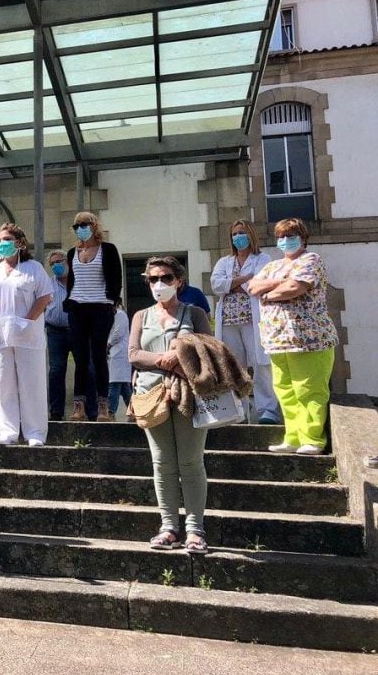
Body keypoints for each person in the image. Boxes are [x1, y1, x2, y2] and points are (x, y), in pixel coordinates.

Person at [128, 256, 213, 554]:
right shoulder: (141, 316)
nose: (159, 283)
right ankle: (168, 527)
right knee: (162, 462)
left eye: (165, 277)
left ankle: (195, 530)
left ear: (178, 281)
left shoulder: (195, 313)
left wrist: (180, 357)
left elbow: (209, 348)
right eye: (153, 279)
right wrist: (163, 359)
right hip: (152, 395)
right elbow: (134, 354)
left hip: (189, 393)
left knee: (190, 461)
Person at [248, 218, 339, 455]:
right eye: (281, 237)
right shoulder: (273, 266)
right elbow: (253, 287)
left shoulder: (311, 259)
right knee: (285, 390)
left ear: (303, 238)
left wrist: (269, 294)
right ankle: (293, 437)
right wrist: (282, 281)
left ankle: (313, 439)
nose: (285, 240)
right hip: (277, 340)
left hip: (309, 339)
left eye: (290, 236)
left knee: (309, 389)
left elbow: (295, 288)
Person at [0, 224, 54, 447]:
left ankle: (35, 433)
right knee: (2, 384)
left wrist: (28, 321)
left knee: (32, 384)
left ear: (20, 242)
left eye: (7, 239)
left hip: (27, 335)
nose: (2, 243)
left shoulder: (34, 268)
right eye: (0, 240)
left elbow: (45, 296)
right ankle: (7, 432)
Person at [210, 219, 279, 425]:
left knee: (260, 363)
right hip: (229, 321)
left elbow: (260, 284)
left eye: (242, 232)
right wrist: (244, 279)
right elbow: (216, 285)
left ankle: (267, 410)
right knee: (234, 366)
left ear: (251, 234)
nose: (238, 237)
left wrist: (232, 284)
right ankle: (239, 410)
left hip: (253, 320)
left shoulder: (263, 259)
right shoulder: (224, 262)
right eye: (234, 234)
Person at [65, 212, 123, 422]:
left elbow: (116, 277)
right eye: (77, 225)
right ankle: (79, 406)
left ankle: (103, 406)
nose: (80, 228)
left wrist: (112, 300)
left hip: (100, 306)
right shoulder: (72, 252)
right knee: (80, 358)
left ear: (94, 225)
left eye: (84, 224)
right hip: (77, 307)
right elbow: (71, 280)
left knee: (99, 356)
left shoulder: (108, 249)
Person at [44, 250, 95, 421]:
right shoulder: (47, 284)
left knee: (87, 369)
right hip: (55, 332)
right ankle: (56, 412)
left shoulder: (80, 282)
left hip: (79, 331)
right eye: (52, 264)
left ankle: (92, 411)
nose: (56, 266)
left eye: (59, 261)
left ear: (68, 262)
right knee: (56, 371)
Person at [106, 300, 132, 419]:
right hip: (116, 355)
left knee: (114, 384)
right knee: (124, 387)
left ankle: (111, 411)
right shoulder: (117, 315)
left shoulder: (120, 315)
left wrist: (108, 344)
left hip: (118, 354)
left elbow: (117, 333)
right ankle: (134, 410)